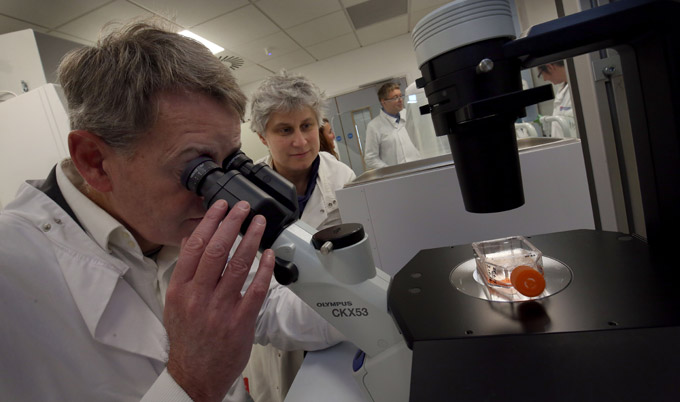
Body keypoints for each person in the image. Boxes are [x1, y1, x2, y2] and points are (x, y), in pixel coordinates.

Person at [0, 21, 343, 402]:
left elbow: (269, 309)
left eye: (228, 163)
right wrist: (191, 383)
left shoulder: (178, 224)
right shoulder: (11, 271)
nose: (218, 193)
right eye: (199, 169)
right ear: (95, 160)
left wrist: (367, 302)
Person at [244, 71, 356, 402]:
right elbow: (256, 297)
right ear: (263, 137)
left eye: (307, 126)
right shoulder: (246, 196)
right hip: (280, 339)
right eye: (284, 130)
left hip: (344, 323)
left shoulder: (342, 177)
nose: (301, 141)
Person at [364, 82, 421, 169]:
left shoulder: (409, 114)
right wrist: (390, 171)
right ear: (383, 101)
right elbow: (370, 158)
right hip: (397, 176)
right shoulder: (374, 126)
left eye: (400, 96)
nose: (400, 100)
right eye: (395, 98)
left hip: (419, 168)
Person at [537, 60, 576, 138]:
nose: (544, 79)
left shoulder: (577, 86)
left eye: (542, 74)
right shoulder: (562, 89)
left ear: (550, 67)